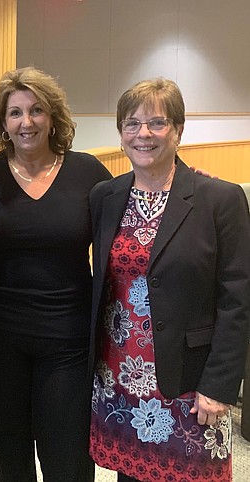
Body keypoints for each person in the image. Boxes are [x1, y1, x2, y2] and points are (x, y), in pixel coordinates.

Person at [88, 78, 250, 482]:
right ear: (121, 134)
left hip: (190, 382)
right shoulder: (105, 196)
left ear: (178, 130)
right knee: (131, 474)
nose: (143, 134)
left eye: (157, 123)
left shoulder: (220, 199)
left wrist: (220, 384)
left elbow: (238, 298)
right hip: (120, 374)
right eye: (131, 123)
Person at [0, 67, 112, 481]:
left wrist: (193, 182)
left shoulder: (88, 173)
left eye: (36, 110)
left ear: (53, 118)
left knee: (66, 453)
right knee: (5, 451)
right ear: (3, 124)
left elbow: (135, 210)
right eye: (15, 113)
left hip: (67, 339)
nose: (26, 122)